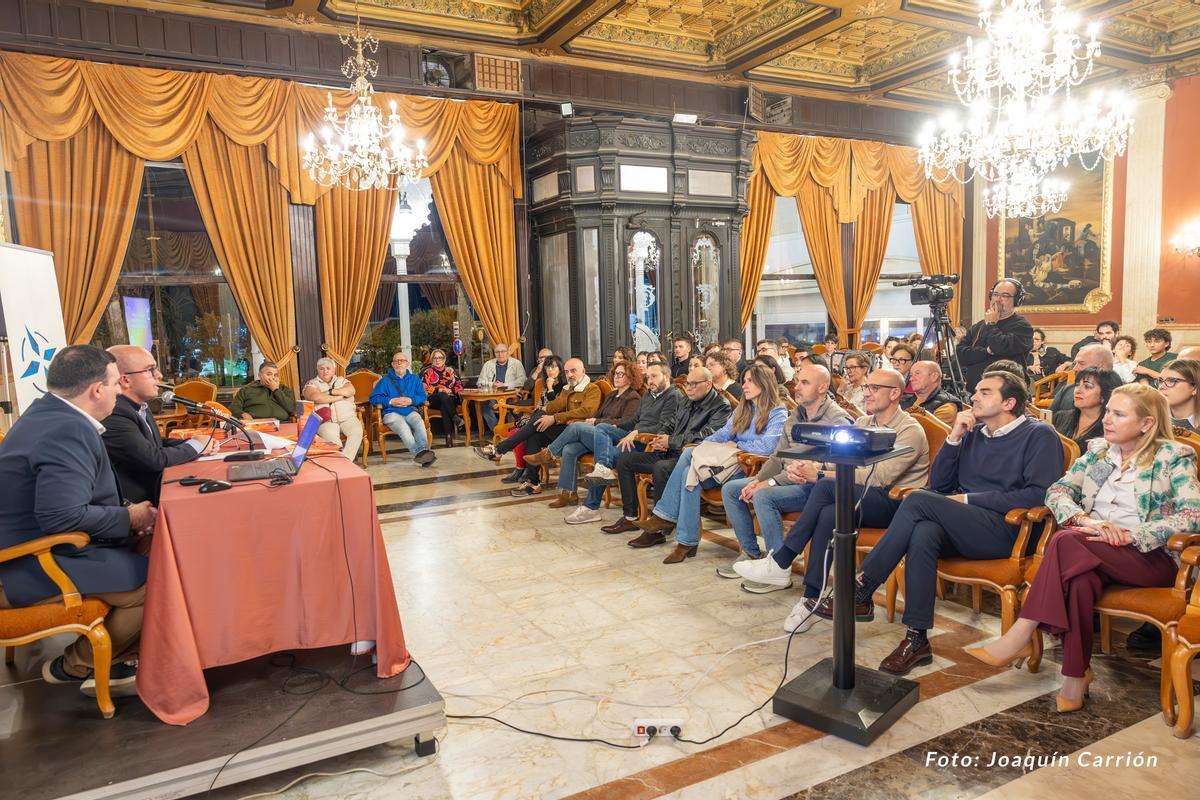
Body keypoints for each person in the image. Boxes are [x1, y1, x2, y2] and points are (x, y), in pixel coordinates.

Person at [967, 385, 1200, 713]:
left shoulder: (1172, 456)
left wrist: (1132, 535)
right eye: (1108, 412)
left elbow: (1192, 515)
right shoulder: (1101, 452)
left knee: (1064, 540)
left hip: (1150, 557)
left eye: (1119, 414)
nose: (1107, 420)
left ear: (1147, 423)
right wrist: (1087, 522)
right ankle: (1075, 677)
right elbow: (1058, 491)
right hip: (1091, 547)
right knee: (1079, 581)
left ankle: (1022, 632)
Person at [829, 370, 1063, 675]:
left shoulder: (1038, 435)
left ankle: (864, 585)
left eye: (985, 392)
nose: (974, 397)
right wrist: (953, 438)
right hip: (965, 525)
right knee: (924, 532)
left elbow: (1038, 494)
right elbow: (939, 485)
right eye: (976, 390)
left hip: (1009, 530)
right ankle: (916, 639)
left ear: (1009, 403)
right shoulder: (974, 434)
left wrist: (967, 500)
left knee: (916, 500)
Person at [0, 345, 156, 697]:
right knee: (158, 581)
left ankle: (125, 654)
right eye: (117, 383)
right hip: (31, 562)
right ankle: (76, 664)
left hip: (41, 547)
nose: (120, 390)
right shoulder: (67, 430)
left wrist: (128, 514)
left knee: (153, 550)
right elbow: (60, 515)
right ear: (97, 390)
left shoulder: (49, 414)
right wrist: (129, 517)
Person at [734, 369, 930, 619]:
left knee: (824, 487)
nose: (866, 393)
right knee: (828, 514)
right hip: (860, 497)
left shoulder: (909, 429)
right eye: (866, 387)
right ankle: (810, 598)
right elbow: (840, 463)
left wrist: (818, 475)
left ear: (895, 393)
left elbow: (880, 477)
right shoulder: (862, 423)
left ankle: (782, 560)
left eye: (874, 388)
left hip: (895, 504)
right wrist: (814, 467)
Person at [633, 365, 787, 564]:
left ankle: (672, 524)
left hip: (748, 469)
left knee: (689, 462)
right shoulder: (744, 407)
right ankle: (684, 539)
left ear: (764, 384)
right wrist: (705, 446)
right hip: (723, 466)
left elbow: (768, 446)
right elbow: (722, 434)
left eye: (750, 381)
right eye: (744, 380)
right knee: (690, 466)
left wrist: (737, 444)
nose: (744, 385)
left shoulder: (777, 412)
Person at [720, 364, 851, 591]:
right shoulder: (796, 415)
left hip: (815, 486)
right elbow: (777, 456)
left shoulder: (837, 420)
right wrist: (757, 479)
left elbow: (835, 466)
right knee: (731, 489)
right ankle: (752, 552)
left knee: (764, 496)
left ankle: (777, 568)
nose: (796, 388)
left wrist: (766, 484)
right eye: (797, 382)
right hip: (786, 476)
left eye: (804, 383)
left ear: (823, 387)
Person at [605, 367, 731, 535]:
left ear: (708, 385)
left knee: (661, 468)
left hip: (690, 458)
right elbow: (670, 422)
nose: (689, 388)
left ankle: (659, 531)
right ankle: (630, 517)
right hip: (669, 451)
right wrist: (660, 437)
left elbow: (705, 437)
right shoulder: (687, 400)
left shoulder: (721, 406)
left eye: (694, 384)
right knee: (625, 460)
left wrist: (670, 442)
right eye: (687, 384)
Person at [567, 362, 685, 525]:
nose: (650, 381)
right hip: (632, 437)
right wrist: (615, 427)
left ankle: (591, 507)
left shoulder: (673, 396)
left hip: (648, 442)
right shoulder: (648, 395)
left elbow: (663, 426)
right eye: (648, 377)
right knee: (603, 430)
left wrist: (636, 433)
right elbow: (634, 420)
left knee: (607, 460)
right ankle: (600, 483)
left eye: (654, 376)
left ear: (666, 377)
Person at [102, 345, 212, 504]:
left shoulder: (139, 406)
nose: (159, 375)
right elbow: (153, 459)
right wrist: (196, 445)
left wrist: (198, 442)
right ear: (125, 379)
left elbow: (156, 443)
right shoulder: (114, 412)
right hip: (141, 504)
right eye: (150, 370)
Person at [526, 361, 643, 508]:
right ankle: (568, 494)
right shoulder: (612, 395)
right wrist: (592, 420)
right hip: (599, 431)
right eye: (615, 373)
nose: (616, 377)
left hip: (615, 437)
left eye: (621, 374)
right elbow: (597, 414)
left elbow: (627, 422)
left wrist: (597, 421)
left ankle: (549, 453)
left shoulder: (633, 397)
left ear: (631, 378)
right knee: (569, 449)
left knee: (575, 427)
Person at [476, 358, 600, 496]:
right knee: (534, 434)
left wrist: (554, 418)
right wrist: (544, 412)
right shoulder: (568, 389)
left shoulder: (592, 389)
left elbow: (587, 411)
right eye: (567, 372)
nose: (569, 374)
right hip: (563, 428)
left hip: (577, 431)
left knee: (536, 423)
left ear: (583, 371)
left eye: (573, 371)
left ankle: (499, 449)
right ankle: (533, 482)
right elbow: (556, 405)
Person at [957, 279, 1034, 392]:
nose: (998, 299)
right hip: (975, 392)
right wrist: (987, 351)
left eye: (1005, 296)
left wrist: (992, 325)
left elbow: (1000, 347)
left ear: (1017, 300)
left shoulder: (1023, 326)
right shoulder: (978, 326)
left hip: (1007, 392)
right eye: (995, 294)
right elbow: (961, 354)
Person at [500, 355, 565, 484]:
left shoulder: (565, 386)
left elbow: (555, 408)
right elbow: (540, 406)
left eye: (553, 367)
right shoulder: (544, 384)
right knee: (526, 434)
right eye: (547, 367)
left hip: (556, 423)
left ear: (560, 368)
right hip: (540, 421)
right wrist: (530, 418)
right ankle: (527, 474)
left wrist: (551, 388)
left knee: (528, 428)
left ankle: (500, 449)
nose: (550, 370)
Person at [369, 351, 436, 467]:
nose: (399, 363)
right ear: (392, 364)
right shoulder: (385, 380)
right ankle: (419, 455)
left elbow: (422, 396)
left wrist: (411, 400)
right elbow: (374, 398)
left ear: (407, 364)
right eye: (396, 361)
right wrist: (391, 401)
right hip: (391, 413)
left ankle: (424, 452)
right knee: (403, 427)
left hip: (409, 411)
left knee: (419, 422)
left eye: (402, 361)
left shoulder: (414, 379)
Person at [304, 357, 366, 462]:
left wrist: (330, 392)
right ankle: (343, 463)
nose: (325, 371)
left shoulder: (342, 380)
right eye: (321, 368)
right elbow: (316, 397)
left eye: (328, 368)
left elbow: (351, 391)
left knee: (356, 431)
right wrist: (339, 395)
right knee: (333, 442)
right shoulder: (311, 383)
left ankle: (345, 463)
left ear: (334, 369)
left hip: (348, 418)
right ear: (317, 370)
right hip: (326, 421)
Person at [1053, 367, 1122, 452]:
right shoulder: (1060, 417)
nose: (1078, 390)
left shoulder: (1108, 430)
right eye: (1077, 384)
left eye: (1087, 386)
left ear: (1104, 395)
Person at [1049, 343, 1115, 414]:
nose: (1074, 368)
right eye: (1075, 363)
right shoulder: (1067, 390)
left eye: (1082, 363)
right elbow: (1048, 419)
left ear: (1102, 366)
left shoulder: (1119, 396)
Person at [477, 342, 527, 430]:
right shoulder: (488, 364)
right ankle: (497, 430)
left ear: (507, 352)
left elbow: (522, 380)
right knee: (484, 405)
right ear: (494, 353)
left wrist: (504, 385)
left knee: (512, 405)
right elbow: (479, 382)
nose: (500, 354)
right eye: (497, 352)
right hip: (493, 396)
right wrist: (492, 384)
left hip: (511, 395)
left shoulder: (516, 363)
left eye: (503, 351)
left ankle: (508, 430)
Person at [421, 348, 463, 448]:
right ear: (432, 359)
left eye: (440, 357)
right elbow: (423, 387)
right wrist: (438, 390)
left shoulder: (451, 371)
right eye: (435, 358)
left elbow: (459, 386)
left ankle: (448, 436)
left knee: (445, 406)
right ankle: (455, 418)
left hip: (450, 398)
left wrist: (451, 391)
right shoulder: (427, 372)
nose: (437, 360)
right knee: (442, 394)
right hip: (433, 399)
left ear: (444, 359)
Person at [230, 361, 295, 421]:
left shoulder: (284, 389)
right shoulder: (246, 390)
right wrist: (242, 414)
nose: (272, 378)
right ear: (259, 375)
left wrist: (276, 390)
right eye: (269, 374)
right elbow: (233, 408)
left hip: (283, 423)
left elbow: (292, 409)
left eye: (275, 375)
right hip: (256, 424)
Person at [1158, 359, 1200, 431]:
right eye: (1161, 381)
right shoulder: (1150, 420)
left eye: (1172, 380)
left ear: (1195, 388)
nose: (1161, 386)